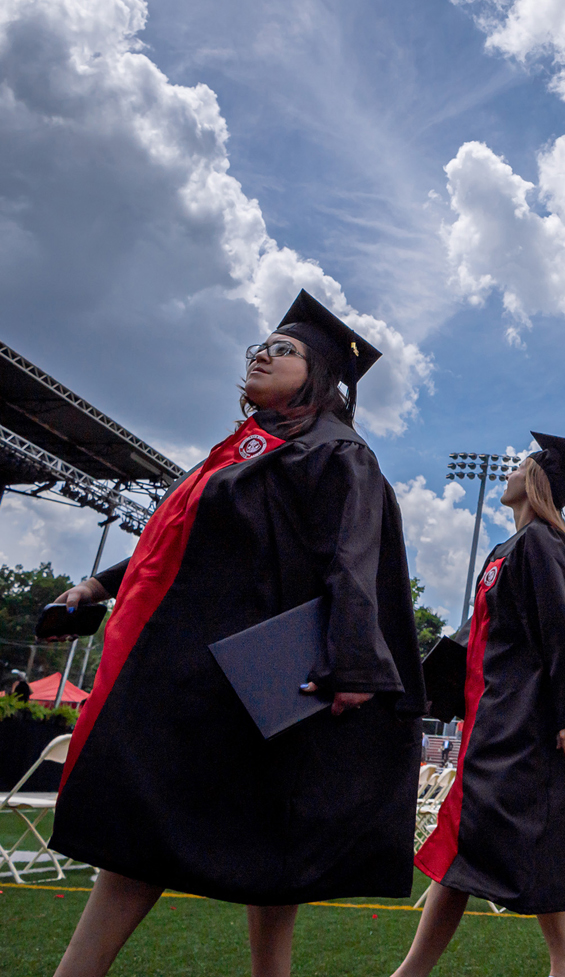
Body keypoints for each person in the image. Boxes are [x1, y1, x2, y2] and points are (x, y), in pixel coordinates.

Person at [47, 290, 425, 977]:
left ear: (320, 379)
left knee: (222, 834)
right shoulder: (243, 448)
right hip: (189, 671)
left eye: (284, 350)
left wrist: (353, 666)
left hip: (254, 681)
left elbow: (353, 561)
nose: (263, 354)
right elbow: (178, 537)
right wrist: (97, 585)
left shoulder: (338, 453)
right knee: (157, 829)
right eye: (260, 346)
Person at [400, 434, 565, 977]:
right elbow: (480, 640)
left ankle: (564, 967)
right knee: (466, 846)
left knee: (476, 843)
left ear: (535, 482)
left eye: (517, 468)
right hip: (491, 721)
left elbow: (564, 630)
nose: (508, 474)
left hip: (522, 726)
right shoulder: (506, 550)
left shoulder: (541, 543)